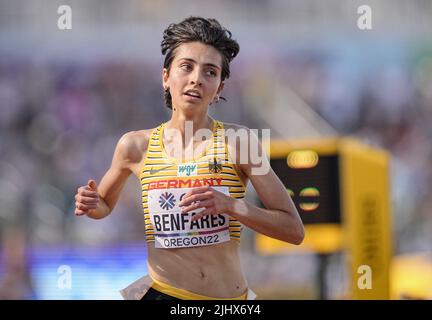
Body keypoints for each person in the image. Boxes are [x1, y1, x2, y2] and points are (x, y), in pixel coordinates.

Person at [74, 16, 304, 300]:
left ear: (219, 89)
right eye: (186, 67)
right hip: (163, 294)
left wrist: (232, 206)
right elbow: (104, 205)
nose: (196, 78)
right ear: (166, 77)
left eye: (210, 72)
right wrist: (92, 203)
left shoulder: (240, 142)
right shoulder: (134, 146)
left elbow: (294, 230)